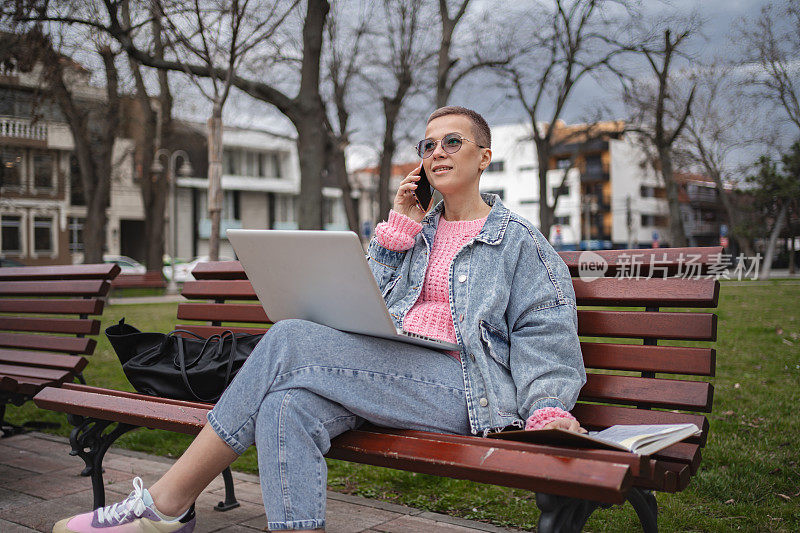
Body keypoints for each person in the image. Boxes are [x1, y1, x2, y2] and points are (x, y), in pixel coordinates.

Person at [54, 106, 586, 533]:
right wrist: (397, 234)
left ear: (484, 157)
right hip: (391, 367)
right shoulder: (417, 231)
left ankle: (168, 502)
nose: (437, 153)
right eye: (428, 145)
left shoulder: (517, 241)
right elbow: (364, 305)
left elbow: (546, 330)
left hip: (463, 386)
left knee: (288, 340)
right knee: (287, 407)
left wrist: (546, 408)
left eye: (453, 142)